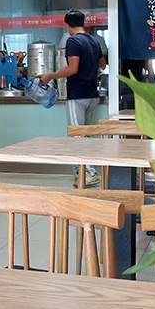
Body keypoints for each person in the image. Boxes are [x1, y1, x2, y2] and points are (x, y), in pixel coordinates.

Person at [39, 10, 105, 188]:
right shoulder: (94, 40)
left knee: (77, 135)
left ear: (67, 25)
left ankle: (90, 174)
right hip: (92, 94)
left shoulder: (73, 41)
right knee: (85, 134)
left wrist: (50, 75)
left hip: (78, 93)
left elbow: (72, 69)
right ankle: (80, 170)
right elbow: (102, 64)